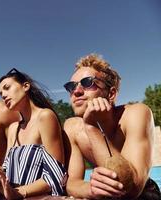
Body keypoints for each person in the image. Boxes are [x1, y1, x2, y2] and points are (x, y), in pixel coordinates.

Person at [63, 53, 161, 199]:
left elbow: (130, 190)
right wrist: (91, 189)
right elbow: (71, 183)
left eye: (88, 82)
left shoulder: (135, 114)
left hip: (145, 193)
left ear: (111, 94)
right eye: (71, 86)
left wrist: (91, 127)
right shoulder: (71, 127)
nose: (76, 92)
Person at [0, 68, 67, 199]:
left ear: (26, 86)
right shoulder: (13, 128)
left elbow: (56, 174)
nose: (3, 95)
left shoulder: (45, 117)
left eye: (7, 88)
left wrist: (18, 192)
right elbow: (6, 171)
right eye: (0, 93)